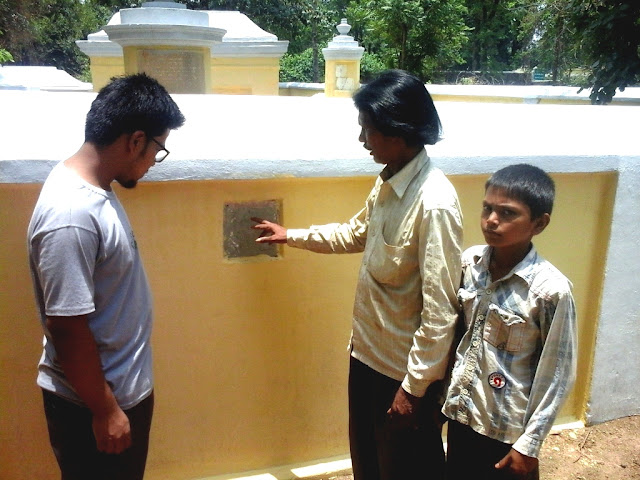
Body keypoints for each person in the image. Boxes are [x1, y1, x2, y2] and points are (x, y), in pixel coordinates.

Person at [253, 69, 463, 480]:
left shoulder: (434, 202)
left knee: (407, 469)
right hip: (366, 357)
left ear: (398, 133)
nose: (362, 140)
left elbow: (442, 311)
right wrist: (290, 235)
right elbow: (354, 234)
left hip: (402, 376)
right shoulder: (388, 182)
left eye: (368, 130)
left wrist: (414, 388)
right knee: (368, 463)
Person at [27, 73, 185, 480]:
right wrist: (106, 410)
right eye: (157, 149)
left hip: (116, 394)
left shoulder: (98, 190)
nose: (154, 161)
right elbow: (66, 324)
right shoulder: (72, 215)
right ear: (135, 140)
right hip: (93, 406)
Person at [442, 164, 578, 480]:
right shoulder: (470, 263)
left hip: (507, 434)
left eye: (507, 213)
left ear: (539, 223)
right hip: (463, 417)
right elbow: (457, 337)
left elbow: (556, 373)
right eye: (488, 208)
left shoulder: (549, 290)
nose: (491, 219)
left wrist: (529, 444)